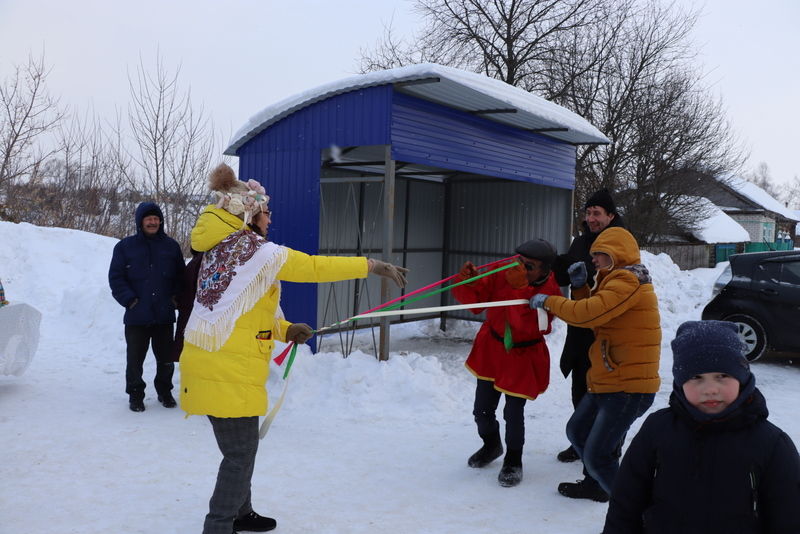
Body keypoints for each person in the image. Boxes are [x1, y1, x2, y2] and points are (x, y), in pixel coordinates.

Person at [180, 163, 408, 534]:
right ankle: (218, 526)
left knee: (243, 449)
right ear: (251, 214)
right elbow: (313, 267)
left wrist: (285, 330)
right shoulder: (256, 252)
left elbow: (240, 312)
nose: (271, 219)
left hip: (215, 363)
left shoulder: (223, 251)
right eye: (266, 212)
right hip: (226, 370)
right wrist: (370, 265)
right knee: (239, 455)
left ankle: (241, 512)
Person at [603, 320, 800, 533]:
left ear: (742, 378)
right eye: (696, 377)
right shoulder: (657, 430)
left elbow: (789, 517)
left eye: (722, 376)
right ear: (680, 383)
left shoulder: (771, 444)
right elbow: (625, 503)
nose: (710, 389)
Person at [530, 226, 660, 501]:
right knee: (577, 431)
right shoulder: (614, 280)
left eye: (599, 255)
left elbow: (588, 315)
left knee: (599, 455)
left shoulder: (628, 281)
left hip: (627, 386)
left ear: (617, 254)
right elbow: (599, 311)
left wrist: (550, 301)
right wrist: (580, 288)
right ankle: (597, 484)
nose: (594, 260)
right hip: (609, 377)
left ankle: (641, 514)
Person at [452, 239, 562, 487]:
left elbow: (529, 327)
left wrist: (519, 289)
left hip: (522, 356)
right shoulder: (505, 273)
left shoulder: (552, 293)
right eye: (519, 261)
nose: (520, 268)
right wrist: (469, 280)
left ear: (545, 270)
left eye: (529, 266)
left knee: (513, 412)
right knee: (481, 409)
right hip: (492, 349)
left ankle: (514, 460)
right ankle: (491, 445)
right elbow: (475, 302)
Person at [551, 188, 625, 463]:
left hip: (606, 331)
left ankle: (609, 448)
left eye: (597, 213)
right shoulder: (581, 242)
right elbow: (564, 272)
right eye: (589, 212)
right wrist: (553, 261)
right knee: (580, 389)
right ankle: (581, 442)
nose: (592, 218)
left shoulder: (619, 243)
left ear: (611, 216)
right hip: (581, 330)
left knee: (608, 393)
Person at [109, 201, 185, 412]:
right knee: (135, 360)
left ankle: (164, 391)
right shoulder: (125, 247)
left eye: (156, 218)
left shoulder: (171, 246)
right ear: (140, 221)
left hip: (164, 314)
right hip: (137, 315)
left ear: (160, 221)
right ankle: (135, 395)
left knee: (166, 360)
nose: (152, 222)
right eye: (148, 218)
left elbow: (181, 277)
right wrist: (130, 301)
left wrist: (175, 298)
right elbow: (116, 278)